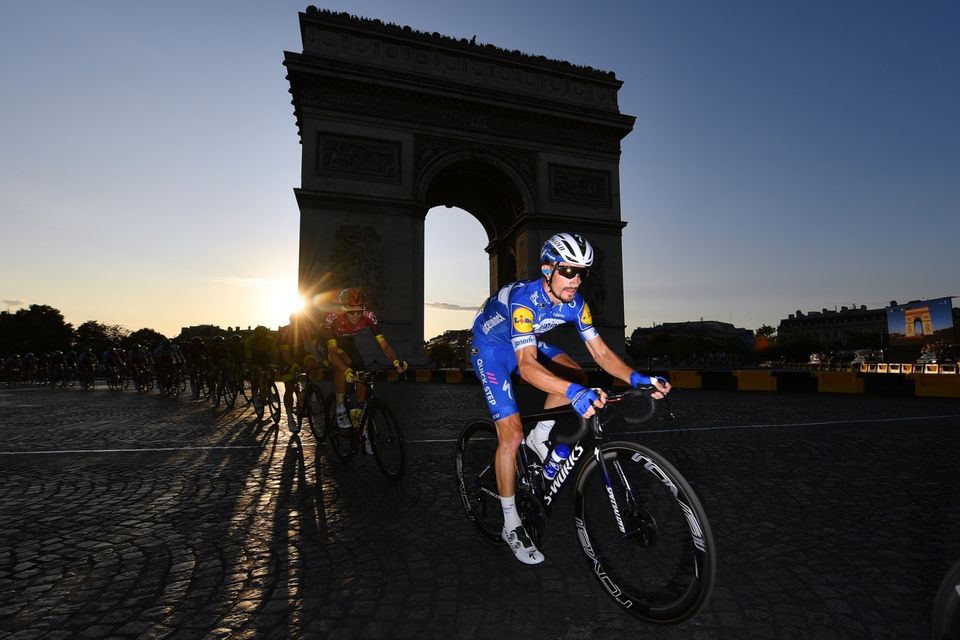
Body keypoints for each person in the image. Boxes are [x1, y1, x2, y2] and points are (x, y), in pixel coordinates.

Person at [470, 232, 671, 565]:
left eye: (582, 272)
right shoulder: (525, 300)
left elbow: (602, 354)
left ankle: (541, 436)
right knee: (511, 434)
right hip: (491, 349)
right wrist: (572, 393)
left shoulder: (577, 303)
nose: (576, 280)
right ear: (548, 269)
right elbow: (528, 366)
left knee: (577, 373)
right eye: (568, 271)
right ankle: (510, 523)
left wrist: (637, 377)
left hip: (527, 339)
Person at [320, 288, 407, 452]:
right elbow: (332, 353)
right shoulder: (332, 317)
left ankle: (361, 420)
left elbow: (384, 345)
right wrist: (346, 370)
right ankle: (340, 408)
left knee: (362, 374)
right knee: (343, 363)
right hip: (328, 340)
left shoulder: (369, 316)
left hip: (347, 341)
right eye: (351, 312)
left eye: (359, 312)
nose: (356, 316)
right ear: (343, 309)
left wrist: (396, 362)